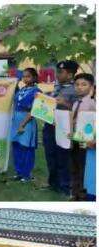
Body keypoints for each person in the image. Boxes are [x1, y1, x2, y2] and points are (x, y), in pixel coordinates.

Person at [42, 60, 79, 196]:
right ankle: (53, 183)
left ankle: (65, 186)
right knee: (50, 156)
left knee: (63, 157)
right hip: (50, 126)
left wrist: (66, 103)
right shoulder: (56, 87)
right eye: (57, 71)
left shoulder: (76, 89)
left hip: (64, 128)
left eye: (61, 72)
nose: (57, 75)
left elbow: (79, 110)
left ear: (70, 75)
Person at [10, 68, 42, 182]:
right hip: (16, 120)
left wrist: (22, 124)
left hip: (27, 122)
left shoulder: (37, 92)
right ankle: (18, 172)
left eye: (28, 76)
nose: (25, 78)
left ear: (34, 78)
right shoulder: (22, 89)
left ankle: (26, 174)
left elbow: (34, 111)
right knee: (16, 146)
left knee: (26, 147)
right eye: (24, 76)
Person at [69, 73, 96, 201]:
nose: (80, 87)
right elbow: (74, 121)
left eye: (84, 84)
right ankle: (74, 193)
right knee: (74, 167)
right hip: (74, 140)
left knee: (83, 168)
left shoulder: (92, 104)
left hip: (86, 142)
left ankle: (82, 195)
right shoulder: (75, 104)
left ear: (91, 87)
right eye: (77, 84)